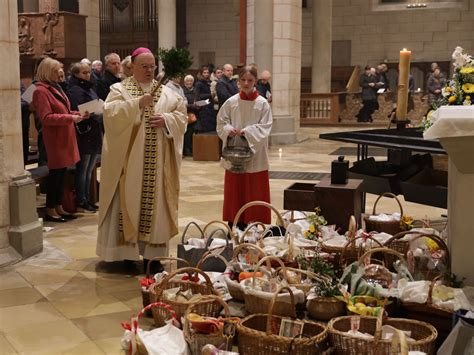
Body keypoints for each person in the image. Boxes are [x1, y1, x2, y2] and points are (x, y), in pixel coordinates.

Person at [96, 47, 187, 270]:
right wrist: (136, 104)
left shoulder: (168, 93)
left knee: (155, 207)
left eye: (152, 66)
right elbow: (110, 113)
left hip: (158, 166)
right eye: (144, 66)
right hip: (128, 165)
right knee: (126, 203)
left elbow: (181, 116)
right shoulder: (119, 89)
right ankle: (125, 255)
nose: (149, 70)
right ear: (132, 67)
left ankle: (152, 257)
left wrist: (167, 120)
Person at [32, 57, 89, 222]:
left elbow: (65, 109)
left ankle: (59, 206)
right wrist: (70, 118)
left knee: (62, 174)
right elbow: (46, 117)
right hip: (55, 140)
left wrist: (77, 114)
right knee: (55, 176)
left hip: (64, 137)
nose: (60, 72)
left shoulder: (54, 87)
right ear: (48, 71)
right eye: (56, 69)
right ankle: (50, 209)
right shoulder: (40, 91)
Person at [217, 66, 273, 229]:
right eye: (243, 80)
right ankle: (234, 223)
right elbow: (221, 122)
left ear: (255, 81)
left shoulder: (262, 103)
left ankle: (253, 224)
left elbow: (266, 126)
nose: (246, 83)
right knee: (235, 189)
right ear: (238, 81)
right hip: (235, 152)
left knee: (254, 189)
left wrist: (247, 132)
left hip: (256, 154)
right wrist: (229, 130)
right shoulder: (231, 102)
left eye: (250, 80)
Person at [67, 62, 103, 213]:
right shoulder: (75, 89)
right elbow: (79, 108)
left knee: (90, 169)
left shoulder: (90, 87)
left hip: (94, 131)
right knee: (83, 170)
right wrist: (95, 111)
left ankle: (88, 198)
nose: (87, 75)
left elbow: (95, 103)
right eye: (84, 73)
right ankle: (82, 199)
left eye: (88, 72)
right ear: (76, 74)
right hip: (85, 132)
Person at [195, 66, 217, 132]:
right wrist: (210, 95)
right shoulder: (199, 83)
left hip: (209, 107)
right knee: (205, 128)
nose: (206, 74)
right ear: (201, 74)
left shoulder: (208, 82)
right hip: (203, 108)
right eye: (204, 72)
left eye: (207, 72)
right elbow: (198, 96)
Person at [183, 74, 197, 156]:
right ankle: (186, 149)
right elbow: (184, 104)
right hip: (185, 114)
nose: (189, 82)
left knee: (192, 132)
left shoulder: (195, 90)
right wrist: (193, 105)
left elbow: (197, 99)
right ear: (185, 82)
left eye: (191, 81)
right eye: (188, 81)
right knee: (186, 133)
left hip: (194, 114)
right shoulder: (182, 90)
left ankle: (191, 148)